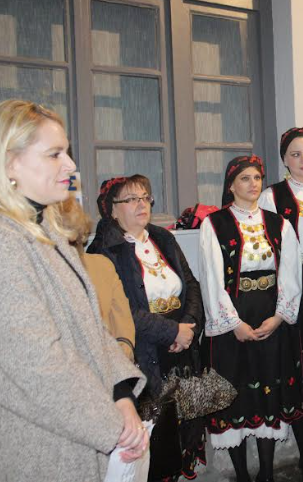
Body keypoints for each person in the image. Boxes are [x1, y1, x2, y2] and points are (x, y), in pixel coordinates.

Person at [0, 100, 147, 480]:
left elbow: (90, 329)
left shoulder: (48, 232)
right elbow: (38, 366)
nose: (70, 165)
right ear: (11, 163)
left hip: (80, 430)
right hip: (41, 447)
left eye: (67, 152)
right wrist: (114, 427)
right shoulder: (6, 244)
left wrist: (121, 392)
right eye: (55, 154)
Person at [199, 155, 303, 482]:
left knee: (268, 393)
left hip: (270, 316)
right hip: (233, 318)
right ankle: (242, 475)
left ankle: (266, 473)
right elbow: (211, 277)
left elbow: (290, 274)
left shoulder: (279, 224)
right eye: (245, 178)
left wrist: (279, 317)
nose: (253, 184)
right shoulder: (214, 223)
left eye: (257, 178)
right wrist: (233, 324)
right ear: (231, 185)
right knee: (236, 396)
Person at [88, 174, 206, 481]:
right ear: (111, 210)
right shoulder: (103, 251)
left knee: (181, 435)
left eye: (145, 197)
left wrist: (188, 327)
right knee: (155, 445)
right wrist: (171, 332)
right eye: (131, 199)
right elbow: (122, 311)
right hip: (145, 356)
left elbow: (191, 284)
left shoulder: (163, 238)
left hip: (181, 351)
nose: (141, 204)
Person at [259, 127, 303, 469]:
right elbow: (269, 249)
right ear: (284, 159)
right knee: (297, 365)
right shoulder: (272, 196)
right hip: (293, 289)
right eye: (295, 154)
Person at [60, 196, 136, 361]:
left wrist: (120, 356)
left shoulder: (102, 265)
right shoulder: (40, 271)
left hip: (112, 363)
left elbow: (123, 325)